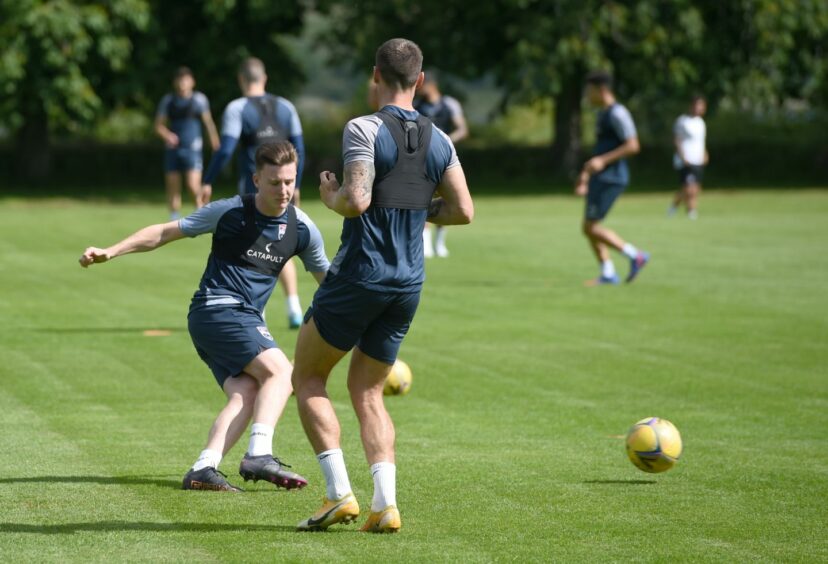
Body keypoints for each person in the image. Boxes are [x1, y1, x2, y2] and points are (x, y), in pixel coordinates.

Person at [292, 38, 474, 534]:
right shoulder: (441, 138)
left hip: (359, 275)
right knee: (368, 391)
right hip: (407, 283)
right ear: (419, 80)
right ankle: (385, 505)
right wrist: (418, 208)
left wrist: (328, 196)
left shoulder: (364, 127)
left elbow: (355, 199)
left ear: (375, 75)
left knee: (307, 379)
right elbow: (463, 210)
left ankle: (337, 495)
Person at [79, 141, 329, 493]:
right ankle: (259, 453)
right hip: (218, 309)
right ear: (257, 180)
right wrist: (112, 250)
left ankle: (204, 467)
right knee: (281, 372)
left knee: (248, 390)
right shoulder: (229, 212)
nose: (284, 190)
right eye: (275, 182)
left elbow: (329, 284)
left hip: (226, 319)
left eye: (289, 181)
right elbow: (166, 231)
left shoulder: (302, 228)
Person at [201, 57, 307, 329]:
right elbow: (299, 148)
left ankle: (252, 310)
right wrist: (294, 184)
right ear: (265, 78)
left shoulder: (237, 108)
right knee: (280, 246)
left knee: (249, 252)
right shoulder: (286, 106)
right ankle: (293, 306)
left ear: (241, 79)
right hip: (285, 190)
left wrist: (208, 180)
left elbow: (225, 148)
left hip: (254, 193)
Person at [574, 70, 650, 286]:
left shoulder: (618, 113)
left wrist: (604, 162)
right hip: (601, 176)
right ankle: (608, 273)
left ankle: (635, 255)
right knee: (588, 227)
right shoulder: (603, 113)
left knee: (591, 227)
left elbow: (633, 145)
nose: (587, 96)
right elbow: (600, 152)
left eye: (589, 91)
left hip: (613, 177)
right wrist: (585, 175)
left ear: (602, 90)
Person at [415, 72, 469, 258]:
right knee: (426, 197)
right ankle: (426, 243)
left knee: (448, 198)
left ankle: (439, 243)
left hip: (445, 159)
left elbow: (462, 129)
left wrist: (445, 141)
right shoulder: (417, 105)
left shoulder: (449, 104)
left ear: (431, 84)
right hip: (422, 159)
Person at [154, 67, 220, 218]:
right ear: (174, 82)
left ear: (192, 82)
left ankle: (204, 214)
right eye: (179, 79)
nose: (182, 83)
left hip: (193, 149)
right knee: (172, 186)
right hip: (173, 150)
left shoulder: (199, 100)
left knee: (192, 185)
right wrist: (167, 135)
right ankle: (174, 219)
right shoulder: (168, 101)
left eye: (185, 79)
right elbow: (158, 126)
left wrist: (215, 142)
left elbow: (208, 123)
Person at [669, 96, 708, 220]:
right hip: (686, 160)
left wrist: (705, 153)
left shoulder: (701, 123)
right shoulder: (682, 121)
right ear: (691, 106)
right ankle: (691, 213)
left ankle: (674, 206)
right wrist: (682, 156)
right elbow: (677, 139)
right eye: (697, 105)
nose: (699, 108)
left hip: (698, 160)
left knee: (694, 188)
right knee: (689, 188)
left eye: (701, 105)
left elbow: (700, 141)